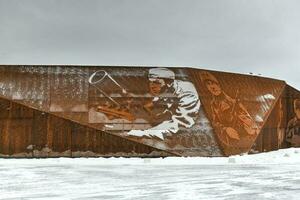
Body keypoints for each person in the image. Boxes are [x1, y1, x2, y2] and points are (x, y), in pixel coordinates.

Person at [127, 68, 200, 139]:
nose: (152, 86)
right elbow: (159, 99)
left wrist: (143, 133)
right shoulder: (167, 88)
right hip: (174, 116)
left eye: (157, 82)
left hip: (195, 127)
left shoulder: (188, 95)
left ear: (169, 83)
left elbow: (180, 124)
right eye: (151, 82)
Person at [200, 71, 258, 150]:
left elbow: (246, 116)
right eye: (208, 84)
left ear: (219, 84)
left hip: (243, 138)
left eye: (213, 83)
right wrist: (226, 129)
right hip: (229, 142)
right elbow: (215, 122)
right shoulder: (213, 104)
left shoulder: (233, 100)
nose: (212, 87)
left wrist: (250, 127)